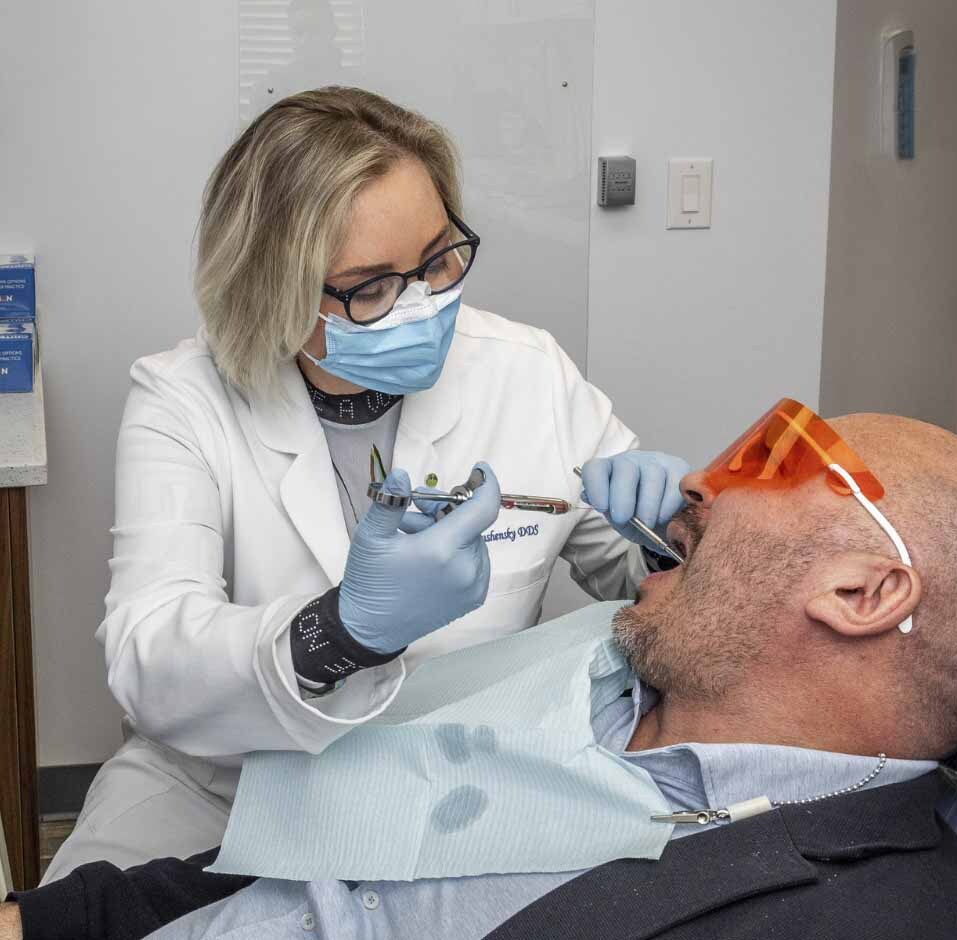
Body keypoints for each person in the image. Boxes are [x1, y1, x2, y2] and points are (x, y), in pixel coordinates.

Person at [7, 403, 957, 940]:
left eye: (774, 458)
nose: (701, 481)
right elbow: (298, 860)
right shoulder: (602, 675)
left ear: (863, 591)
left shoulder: (867, 917)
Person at [42, 85, 690, 882]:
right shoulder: (182, 399)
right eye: (371, 287)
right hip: (223, 782)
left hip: (456, 772)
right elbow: (150, 660)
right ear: (272, 288)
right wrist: (340, 632)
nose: (425, 304)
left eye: (439, 259)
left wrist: (667, 537)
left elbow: (635, 579)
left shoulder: (527, 372)